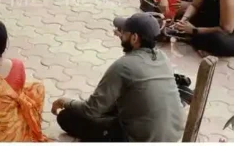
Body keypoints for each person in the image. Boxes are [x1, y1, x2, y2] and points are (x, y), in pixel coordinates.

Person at [51, 12, 184, 142]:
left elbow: (91, 110)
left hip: (139, 139)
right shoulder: (163, 57)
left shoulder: (123, 66)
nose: (119, 34)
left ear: (134, 38)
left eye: (123, 32)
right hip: (172, 136)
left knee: (67, 117)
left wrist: (65, 102)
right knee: (114, 104)